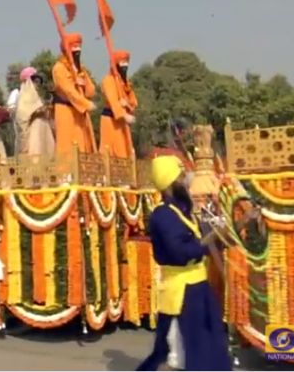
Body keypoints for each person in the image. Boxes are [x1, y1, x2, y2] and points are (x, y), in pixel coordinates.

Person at [136, 155, 232, 371]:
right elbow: (181, 253)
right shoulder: (163, 215)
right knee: (192, 351)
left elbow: (198, 243)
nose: (185, 180)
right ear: (170, 184)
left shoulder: (182, 210)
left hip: (198, 286)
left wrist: (222, 236)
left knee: (211, 344)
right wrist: (210, 243)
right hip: (182, 291)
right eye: (180, 176)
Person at [51, 33, 97, 156]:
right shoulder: (59, 68)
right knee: (67, 144)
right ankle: (66, 173)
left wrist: (83, 80)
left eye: (79, 47)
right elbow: (68, 91)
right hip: (65, 110)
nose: (78, 50)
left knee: (83, 142)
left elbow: (91, 91)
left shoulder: (80, 68)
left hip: (79, 112)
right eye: (74, 47)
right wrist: (86, 104)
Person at [100, 49, 138, 159]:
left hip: (123, 122)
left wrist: (127, 104)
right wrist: (124, 114)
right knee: (111, 150)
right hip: (111, 120)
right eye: (122, 63)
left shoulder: (125, 82)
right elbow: (113, 101)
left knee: (125, 150)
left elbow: (134, 102)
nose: (125, 66)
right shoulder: (108, 80)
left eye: (127, 63)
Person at [14, 67, 55, 157]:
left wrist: (45, 110)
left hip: (43, 131)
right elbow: (22, 116)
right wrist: (36, 112)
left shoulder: (37, 96)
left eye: (38, 81)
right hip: (33, 134)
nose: (37, 84)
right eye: (34, 81)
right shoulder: (24, 96)